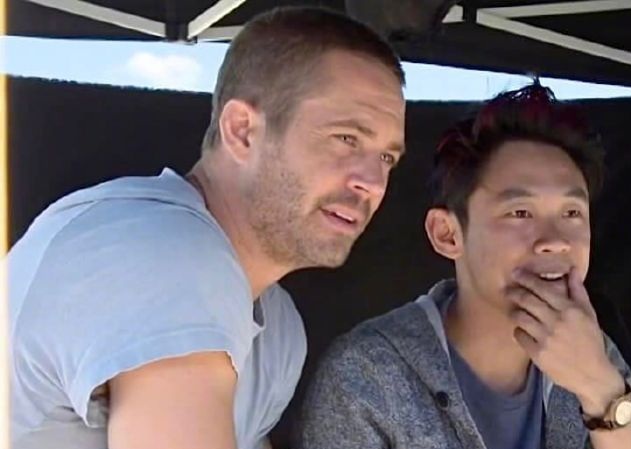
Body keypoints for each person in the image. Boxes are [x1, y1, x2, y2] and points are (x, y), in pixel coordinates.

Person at [9, 7, 406, 449]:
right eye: (347, 139)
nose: (373, 183)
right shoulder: (163, 254)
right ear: (242, 131)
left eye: (387, 158)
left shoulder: (278, 330)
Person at [296, 84, 631, 449]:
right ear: (447, 234)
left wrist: (601, 388)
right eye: (520, 212)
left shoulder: (593, 353)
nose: (555, 240)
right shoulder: (367, 376)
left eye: (572, 213)